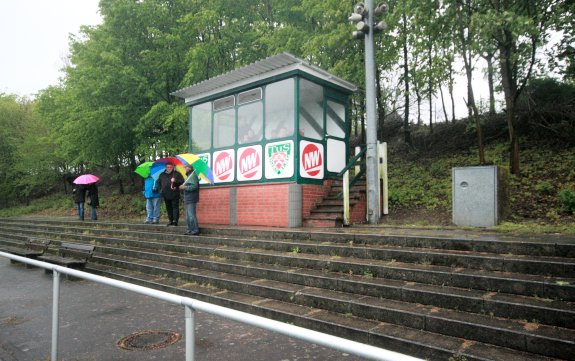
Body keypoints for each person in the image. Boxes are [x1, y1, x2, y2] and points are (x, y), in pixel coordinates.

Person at [179, 164, 200, 235]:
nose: (184, 168)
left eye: (185, 167)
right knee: (187, 216)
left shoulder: (193, 176)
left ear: (189, 168)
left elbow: (194, 186)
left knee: (191, 215)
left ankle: (195, 230)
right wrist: (183, 187)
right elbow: (188, 186)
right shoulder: (188, 176)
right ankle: (189, 229)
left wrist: (184, 187)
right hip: (187, 198)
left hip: (191, 198)